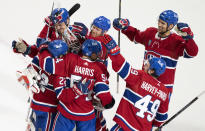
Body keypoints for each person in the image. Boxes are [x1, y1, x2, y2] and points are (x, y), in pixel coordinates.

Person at [112, 10, 198, 99]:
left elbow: (192, 53)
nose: (159, 25)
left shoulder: (176, 41)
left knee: (158, 112)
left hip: (162, 88)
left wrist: (189, 37)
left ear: (171, 26)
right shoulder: (151, 33)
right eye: (159, 21)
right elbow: (136, 35)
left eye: (163, 23)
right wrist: (124, 27)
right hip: (144, 83)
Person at [13, 8, 73, 131]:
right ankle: (31, 78)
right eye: (57, 25)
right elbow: (40, 47)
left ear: (68, 21)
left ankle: (31, 78)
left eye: (61, 24)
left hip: (59, 85)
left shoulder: (73, 35)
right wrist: (27, 49)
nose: (59, 27)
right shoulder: (51, 30)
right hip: (44, 87)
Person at [38, 39, 115, 131]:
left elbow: (47, 64)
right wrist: (108, 102)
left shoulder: (69, 58)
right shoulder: (99, 68)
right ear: (94, 54)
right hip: (86, 115)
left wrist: (44, 48)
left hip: (66, 110)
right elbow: (104, 94)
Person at [100, 35, 169, 131]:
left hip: (125, 127)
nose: (144, 65)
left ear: (151, 71)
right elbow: (161, 118)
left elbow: (123, 68)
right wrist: (157, 126)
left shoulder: (140, 77)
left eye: (147, 65)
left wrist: (115, 53)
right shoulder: (164, 92)